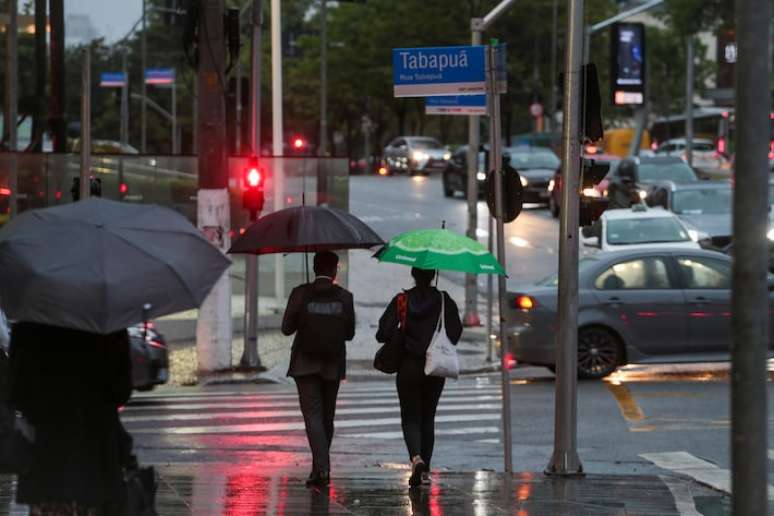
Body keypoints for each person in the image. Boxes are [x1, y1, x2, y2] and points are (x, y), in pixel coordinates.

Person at [8, 322, 133, 515]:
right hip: (97, 454)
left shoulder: (29, 323)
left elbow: (16, 392)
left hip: (47, 456)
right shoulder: (105, 323)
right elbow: (121, 390)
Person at [376, 267, 463, 487]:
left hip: (408, 366)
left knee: (410, 416)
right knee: (428, 417)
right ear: (433, 275)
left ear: (413, 275)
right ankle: (426, 469)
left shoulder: (402, 301)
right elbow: (456, 332)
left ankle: (416, 459)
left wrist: (400, 333)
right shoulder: (444, 300)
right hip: (435, 366)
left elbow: (382, 333)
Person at [282, 251, 355, 488]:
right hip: (332, 364)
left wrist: (304, 317)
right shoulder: (345, 297)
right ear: (335, 271)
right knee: (327, 417)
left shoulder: (300, 293)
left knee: (313, 415)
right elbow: (349, 333)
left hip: (305, 364)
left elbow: (286, 328)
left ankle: (321, 468)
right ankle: (320, 467)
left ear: (314, 269)